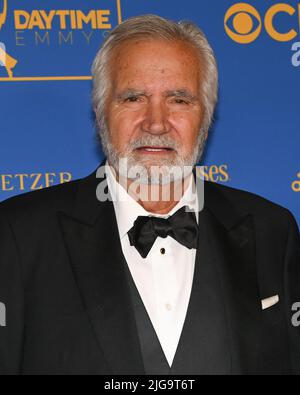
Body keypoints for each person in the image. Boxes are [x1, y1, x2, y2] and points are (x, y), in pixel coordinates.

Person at [0, 15, 299, 375]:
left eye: (178, 100)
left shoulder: (272, 230)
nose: (156, 123)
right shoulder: (17, 235)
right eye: (133, 97)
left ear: (205, 115)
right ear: (99, 113)